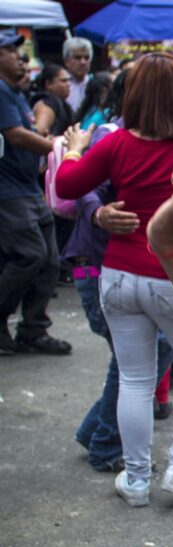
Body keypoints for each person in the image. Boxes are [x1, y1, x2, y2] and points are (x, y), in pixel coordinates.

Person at [54, 52, 173, 507]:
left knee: (135, 379)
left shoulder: (116, 144)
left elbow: (67, 184)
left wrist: (74, 147)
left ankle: (135, 481)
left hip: (119, 276)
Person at [0, 32, 72, 356]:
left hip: (28, 187)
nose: (20, 57)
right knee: (29, 255)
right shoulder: (1, 91)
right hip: (9, 191)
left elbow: (29, 130)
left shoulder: (15, 93)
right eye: (11, 51)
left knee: (50, 262)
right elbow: (16, 136)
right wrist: (61, 148)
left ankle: (32, 330)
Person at [30, 63, 73, 136]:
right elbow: (39, 132)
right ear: (48, 84)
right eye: (63, 81)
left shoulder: (59, 103)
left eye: (68, 80)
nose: (68, 84)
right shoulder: (47, 104)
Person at [63, 37, 92, 112]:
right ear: (66, 61)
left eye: (86, 58)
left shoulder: (94, 83)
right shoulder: (61, 85)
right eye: (77, 58)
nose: (83, 62)